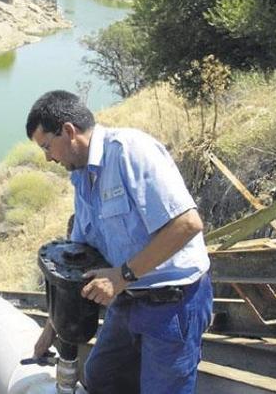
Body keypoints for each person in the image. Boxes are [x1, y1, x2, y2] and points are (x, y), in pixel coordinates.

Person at [26, 90, 212, 394]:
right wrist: (53, 328)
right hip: (128, 299)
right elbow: (78, 260)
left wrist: (122, 275)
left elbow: (187, 224)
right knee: (102, 378)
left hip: (173, 303)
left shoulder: (131, 152)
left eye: (48, 146)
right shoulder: (82, 177)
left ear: (69, 131)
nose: (48, 157)